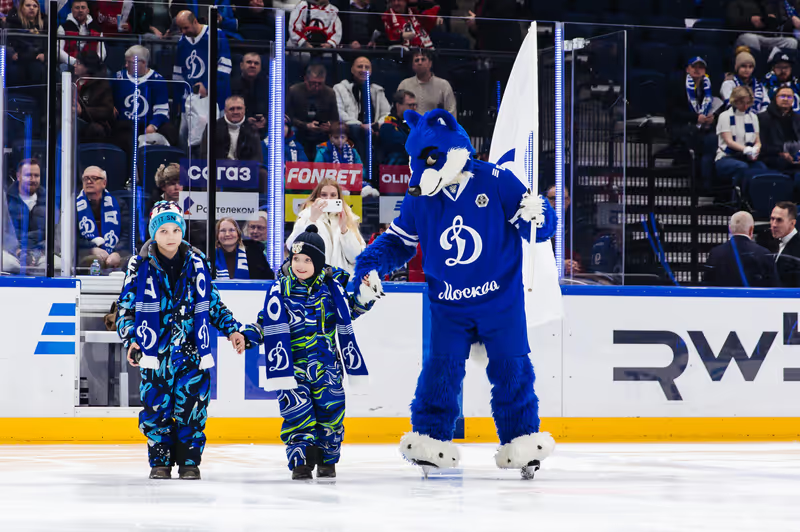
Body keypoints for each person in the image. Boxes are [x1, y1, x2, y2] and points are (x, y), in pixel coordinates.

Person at [116, 201, 247, 480]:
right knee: (156, 409)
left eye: (176, 230)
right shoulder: (139, 265)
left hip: (192, 352)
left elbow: (213, 304)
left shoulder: (198, 263)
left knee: (193, 408)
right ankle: (160, 462)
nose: (171, 236)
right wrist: (132, 339)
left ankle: (189, 461)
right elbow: (125, 310)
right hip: (155, 352)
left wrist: (233, 330)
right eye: (163, 231)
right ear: (153, 233)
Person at [246, 224, 376, 480]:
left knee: (331, 416)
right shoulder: (280, 290)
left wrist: (366, 292)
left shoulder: (332, 290)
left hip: (327, 369)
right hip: (292, 368)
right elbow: (265, 323)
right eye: (296, 259)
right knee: (296, 416)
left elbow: (351, 310)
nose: (301, 265)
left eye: (307, 260)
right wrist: (246, 335)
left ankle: (328, 460)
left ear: (318, 262)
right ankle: (301, 462)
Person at [286, 178, 365, 274]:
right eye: (324, 195)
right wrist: (311, 220)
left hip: (340, 280)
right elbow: (292, 246)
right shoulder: (306, 216)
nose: (328, 199)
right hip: (315, 279)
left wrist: (344, 230)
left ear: (339, 198)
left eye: (333, 195)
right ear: (317, 197)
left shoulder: (348, 218)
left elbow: (356, 258)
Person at [113, 45, 177, 151]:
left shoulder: (157, 80)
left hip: (148, 123)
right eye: (126, 61)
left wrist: (153, 125)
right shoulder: (118, 77)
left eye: (130, 62)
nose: (126, 65)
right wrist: (110, 106)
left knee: (169, 131)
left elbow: (162, 110)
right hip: (126, 124)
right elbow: (107, 96)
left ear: (143, 63)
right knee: (125, 136)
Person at [667, 56, 718, 189]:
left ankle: (706, 181)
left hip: (703, 126)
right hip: (682, 125)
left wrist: (712, 117)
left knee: (712, 139)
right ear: (687, 69)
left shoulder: (708, 85)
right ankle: (696, 179)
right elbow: (672, 112)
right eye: (694, 67)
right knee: (698, 138)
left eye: (700, 67)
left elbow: (716, 105)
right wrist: (695, 118)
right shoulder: (677, 85)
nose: (697, 70)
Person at [333, 56, 391, 166]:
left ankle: (380, 169)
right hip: (352, 128)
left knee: (388, 129)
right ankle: (362, 168)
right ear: (352, 70)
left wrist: (377, 125)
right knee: (357, 130)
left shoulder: (377, 90)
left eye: (367, 67)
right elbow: (340, 113)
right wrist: (360, 125)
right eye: (360, 66)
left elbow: (387, 113)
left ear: (371, 71)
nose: (363, 70)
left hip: (373, 128)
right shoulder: (340, 88)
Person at [173, 10, 232, 112]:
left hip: (215, 98)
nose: (183, 32)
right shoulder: (182, 42)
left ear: (195, 21)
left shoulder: (216, 35)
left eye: (186, 28)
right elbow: (178, 73)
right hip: (190, 101)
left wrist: (207, 86)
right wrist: (178, 99)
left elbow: (225, 68)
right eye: (180, 28)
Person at [6, 158, 59, 271]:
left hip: (42, 253)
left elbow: (56, 232)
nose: (33, 179)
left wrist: (41, 251)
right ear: (18, 176)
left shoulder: (50, 201)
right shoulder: (5, 200)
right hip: (12, 252)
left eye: (36, 176)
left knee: (57, 266)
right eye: (28, 175)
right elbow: (3, 232)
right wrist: (17, 250)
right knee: (7, 265)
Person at [76, 166, 130, 271]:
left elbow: (127, 235)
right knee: (92, 260)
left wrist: (117, 253)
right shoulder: (73, 205)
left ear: (104, 183)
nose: (89, 181)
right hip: (83, 253)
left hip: (116, 253)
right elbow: (70, 238)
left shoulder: (119, 204)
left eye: (94, 178)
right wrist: (91, 249)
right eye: (86, 178)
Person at [703, 211, 778, 287]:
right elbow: (774, 287)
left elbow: (706, 284)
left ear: (730, 229)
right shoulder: (764, 254)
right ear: (751, 230)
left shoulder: (715, 253)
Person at [715, 86, 767, 192]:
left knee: (762, 168)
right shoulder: (725, 116)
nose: (745, 106)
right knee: (742, 167)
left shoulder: (753, 117)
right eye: (742, 103)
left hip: (746, 158)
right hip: (726, 157)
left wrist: (756, 150)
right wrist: (747, 150)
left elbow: (757, 141)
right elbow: (729, 142)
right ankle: (738, 198)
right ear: (735, 101)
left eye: (748, 103)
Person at [286, 63, 340, 160]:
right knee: (291, 130)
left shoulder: (330, 93)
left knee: (337, 133)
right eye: (312, 83)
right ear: (305, 79)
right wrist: (305, 125)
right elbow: (288, 117)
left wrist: (329, 125)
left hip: (322, 130)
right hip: (300, 128)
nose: (316, 87)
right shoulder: (294, 91)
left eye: (320, 84)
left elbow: (335, 118)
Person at [758, 85, 800, 194]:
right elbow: (761, 146)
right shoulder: (763, 118)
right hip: (774, 158)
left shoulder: (797, 119)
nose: (786, 99)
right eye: (782, 96)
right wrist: (781, 152)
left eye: (789, 97)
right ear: (775, 98)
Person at [397, 49, 457, 116]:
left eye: (423, 59)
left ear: (430, 63)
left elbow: (451, 112)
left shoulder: (443, 85)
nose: (420, 63)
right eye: (417, 60)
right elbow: (398, 111)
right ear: (413, 66)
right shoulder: (404, 84)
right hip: (409, 122)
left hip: (434, 122)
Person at [727, 0, 798, 54]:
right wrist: (750, 21)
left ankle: (776, 64)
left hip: (768, 37)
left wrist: (773, 19)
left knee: (791, 42)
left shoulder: (770, 3)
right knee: (750, 38)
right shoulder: (736, 2)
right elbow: (732, 22)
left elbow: (781, 21)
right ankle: (756, 65)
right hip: (746, 36)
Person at [6, 0, 48, 87]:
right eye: (28, 5)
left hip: (36, 59)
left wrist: (45, 55)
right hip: (18, 60)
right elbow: (7, 43)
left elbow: (50, 45)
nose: (31, 8)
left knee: (39, 70)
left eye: (35, 6)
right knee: (14, 71)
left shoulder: (45, 25)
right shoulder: (14, 23)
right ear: (22, 8)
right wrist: (11, 53)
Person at [74, 50, 114, 141]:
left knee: (94, 129)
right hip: (72, 120)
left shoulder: (101, 85)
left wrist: (82, 111)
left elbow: (107, 110)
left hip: (91, 124)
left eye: (79, 63)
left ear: (88, 66)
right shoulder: (71, 81)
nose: (75, 65)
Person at [57, 0, 107, 67]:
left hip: (92, 65)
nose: (80, 10)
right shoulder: (63, 28)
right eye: (77, 8)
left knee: (106, 70)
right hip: (70, 64)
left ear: (88, 10)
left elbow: (102, 52)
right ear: (72, 10)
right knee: (63, 67)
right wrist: (73, 61)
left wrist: (93, 62)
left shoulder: (97, 29)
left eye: (83, 7)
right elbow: (57, 50)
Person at [720, 47, 769, 113]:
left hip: (757, 117)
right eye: (743, 66)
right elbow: (730, 105)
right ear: (737, 67)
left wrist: (757, 117)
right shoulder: (728, 83)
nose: (747, 70)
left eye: (750, 67)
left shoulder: (760, 85)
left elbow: (766, 105)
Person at [231, 52, 268, 137]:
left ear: (260, 67)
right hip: (238, 127)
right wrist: (246, 121)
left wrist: (265, 120)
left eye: (256, 63)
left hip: (265, 129)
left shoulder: (268, 86)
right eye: (249, 62)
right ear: (241, 65)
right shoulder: (231, 85)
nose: (252, 65)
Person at [380, 90, 416, 165]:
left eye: (415, 105)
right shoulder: (388, 124)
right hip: (393, 167)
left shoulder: (414, 124)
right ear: (398, 105)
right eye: (410, 105)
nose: (414, 108)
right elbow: (402, 144)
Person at [769, 201, 800, 286]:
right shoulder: (770, 242)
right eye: (772, 219)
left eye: (779, 220)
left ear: (792, 223)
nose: (774, 224)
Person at [764, 48, 800, 113]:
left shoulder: (797, 85)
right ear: (773, 68)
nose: (783, 71)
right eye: (779, 67)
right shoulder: (766, 84)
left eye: (786, 67)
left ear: (791, 68)